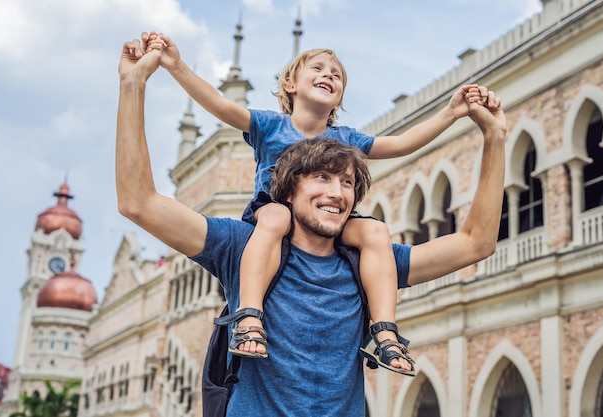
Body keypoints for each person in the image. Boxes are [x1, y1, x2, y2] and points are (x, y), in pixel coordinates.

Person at [117, 35, 506, 416]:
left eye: (348, 182)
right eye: (321, 177)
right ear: (287, 188)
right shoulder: (242, 246)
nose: (337, 192)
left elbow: (475, 243)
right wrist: (134, 84)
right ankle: (247, 317)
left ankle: (385, 332)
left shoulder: (369, 264)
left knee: (374, 231)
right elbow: (139, 202)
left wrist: (494, 136)